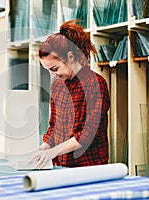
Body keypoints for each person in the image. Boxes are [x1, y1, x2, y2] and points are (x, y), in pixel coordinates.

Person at [28, 20, 110, 168]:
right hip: (61, 165)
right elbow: (54, 126)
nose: (53, 75)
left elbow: (88, 134)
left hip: (88, 167)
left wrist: (52, 152)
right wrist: (43, 149)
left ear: (70, 57)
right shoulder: (58, 86)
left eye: (55, 69)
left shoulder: (95, 85)